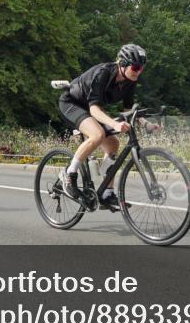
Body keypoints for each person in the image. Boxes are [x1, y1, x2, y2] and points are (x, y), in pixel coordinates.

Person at [57, 44, 158, 211]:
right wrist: (114, 124)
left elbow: (129, 110)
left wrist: (146, 124)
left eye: (142, 68)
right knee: (97, 135)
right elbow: (94, 109)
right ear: (123, 64)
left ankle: (106, 194)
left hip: (91, 108)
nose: (138, 71)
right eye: (136, 67)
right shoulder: (103, 73)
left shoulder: (130, 80)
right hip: (73, 104)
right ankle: (69, 173)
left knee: (113, 144)